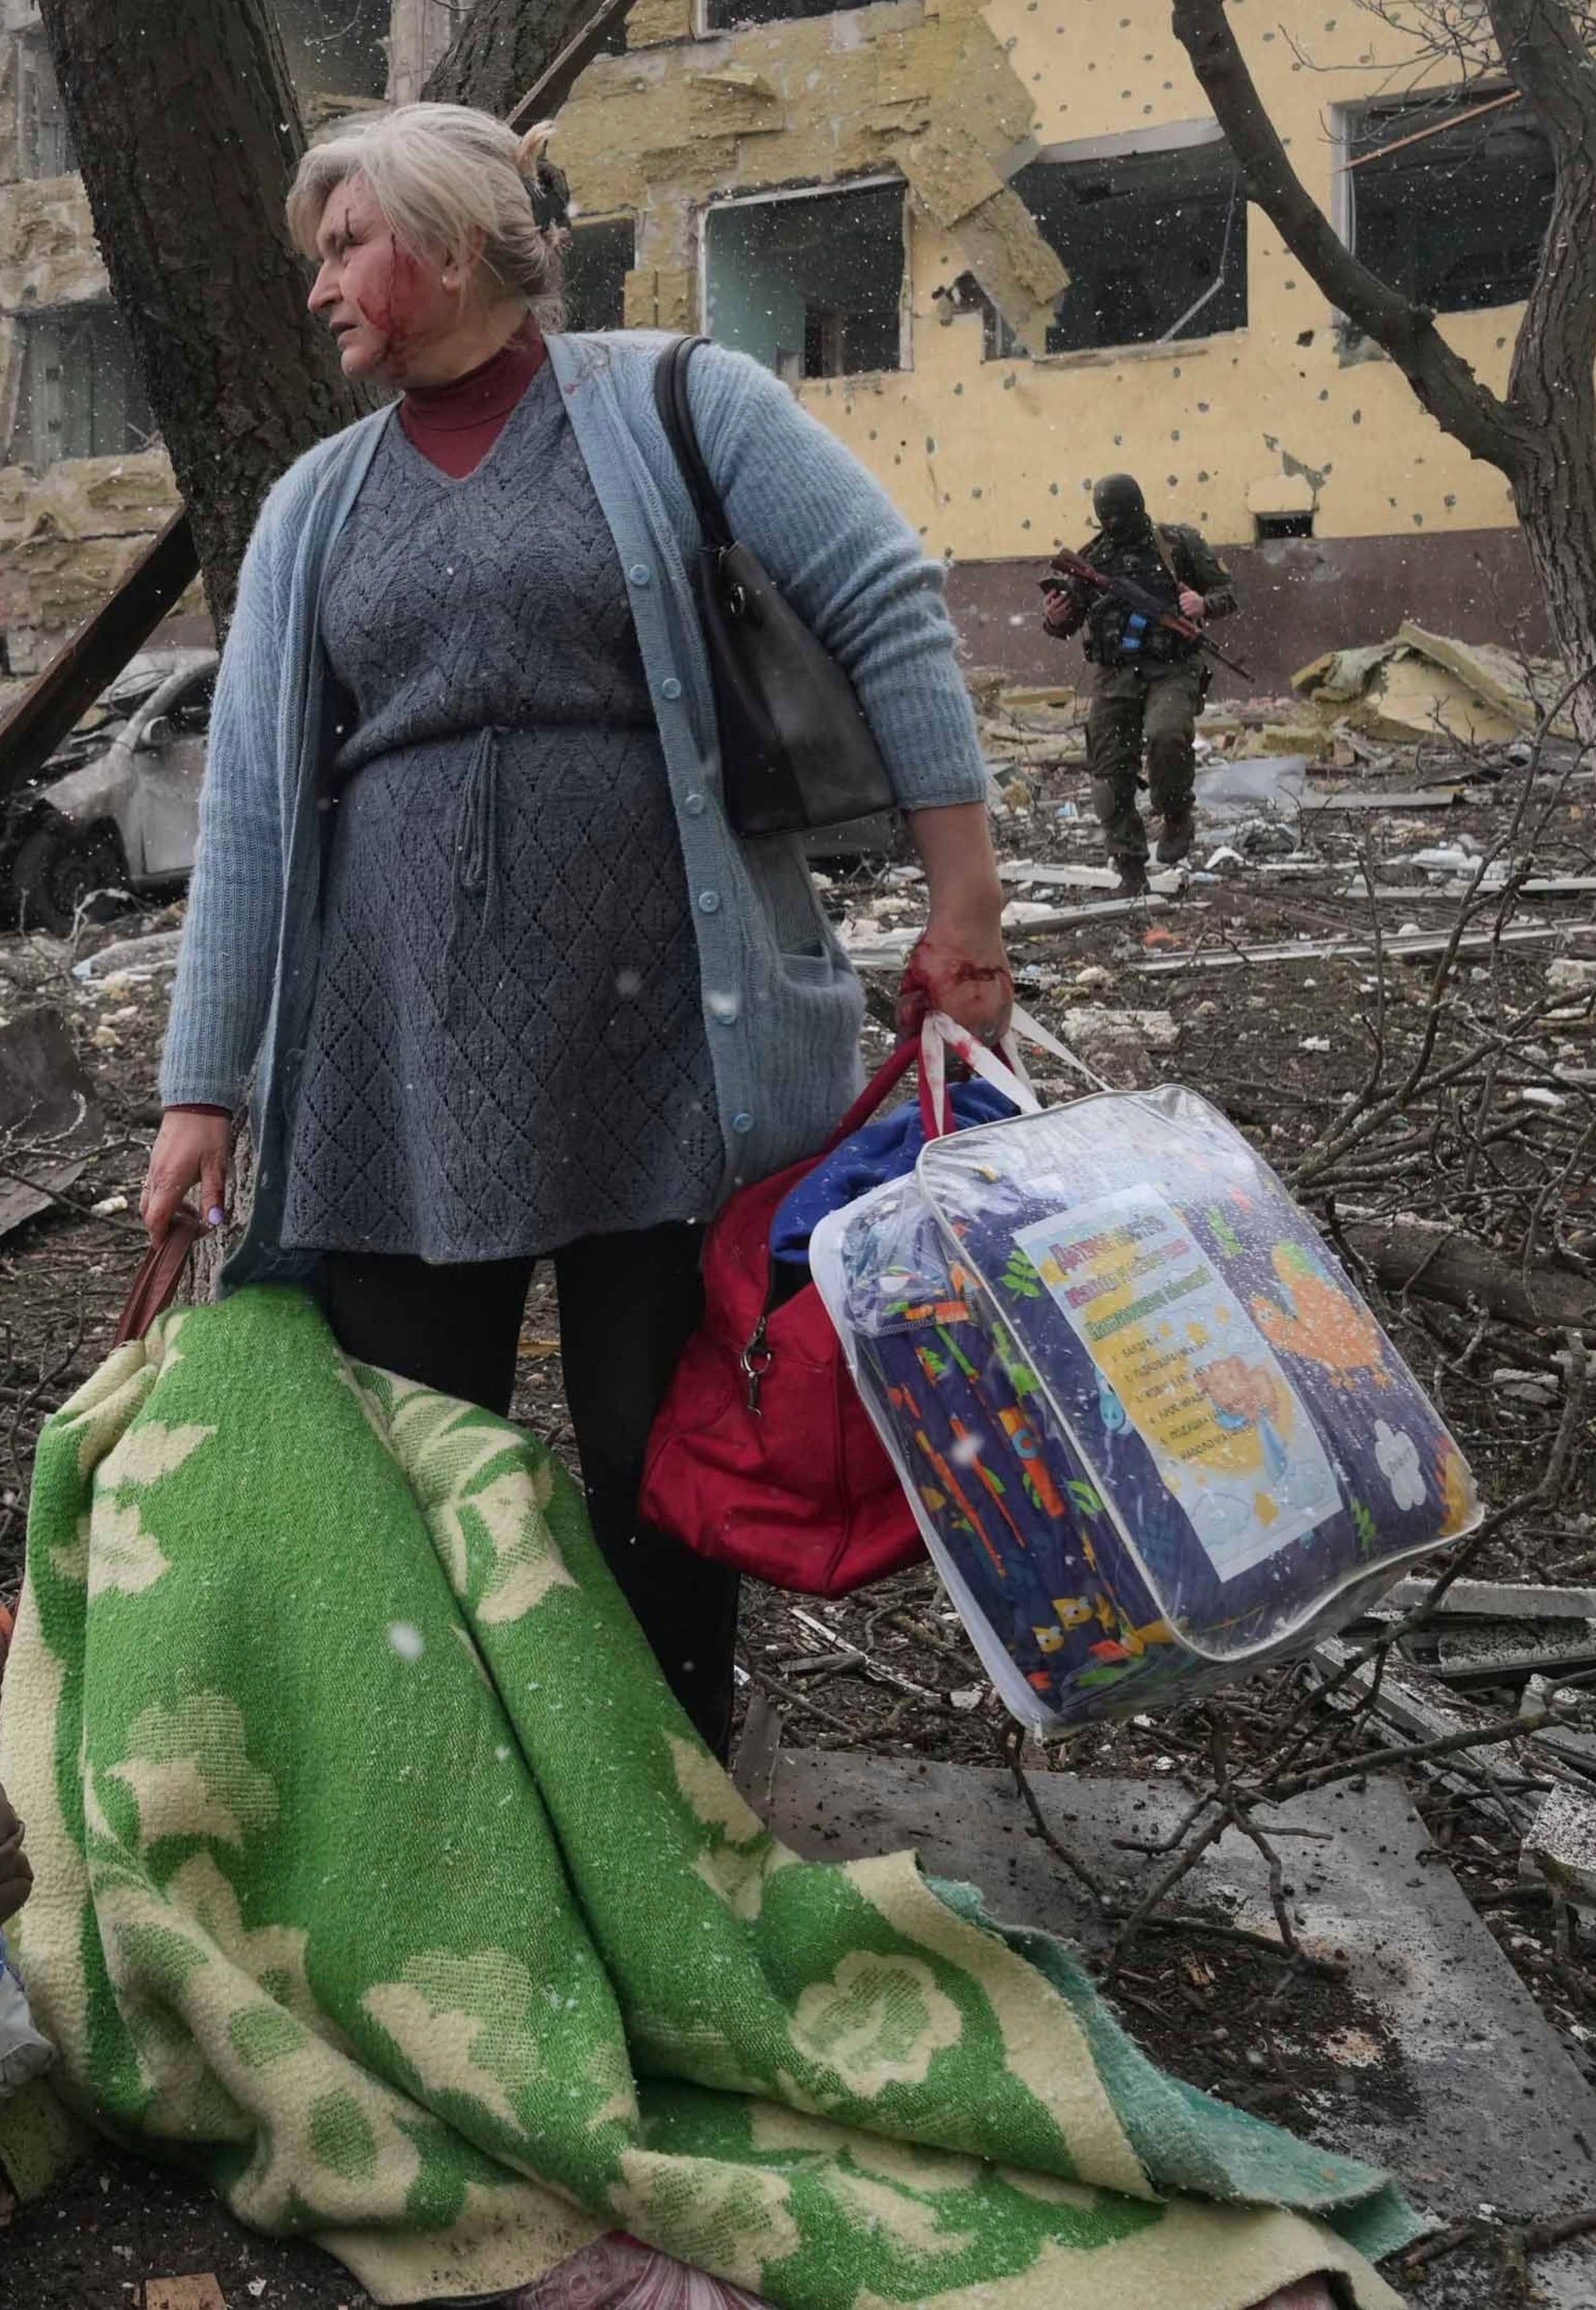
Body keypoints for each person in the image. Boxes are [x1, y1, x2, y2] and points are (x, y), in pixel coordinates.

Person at [138, 101, 1013, 1754]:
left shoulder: (676, 400)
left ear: (451, 245)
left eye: (345, 248)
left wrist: (965, 905)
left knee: (655, 1464)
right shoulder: (318, 502)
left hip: (665, 1034)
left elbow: (888, 602)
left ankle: (672, 1803)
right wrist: (205, 1091)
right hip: (400, 1060)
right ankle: (452, 1809)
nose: (317, 286)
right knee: (409, 1465)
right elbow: (251, 806)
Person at [1039, 474, 1236, 892]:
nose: (1116, 522)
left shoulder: (1177, 545)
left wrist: (1203, 604)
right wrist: (1055, 617)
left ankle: (1176, 813)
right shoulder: (1093, 558)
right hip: (1114, 674)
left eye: (1122, 513)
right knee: (1108, 775)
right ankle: (1130, 867)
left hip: (1172, 666)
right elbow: (1068, 621)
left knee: (1167, 735)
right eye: (1107, 516)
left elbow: (1227, 592)